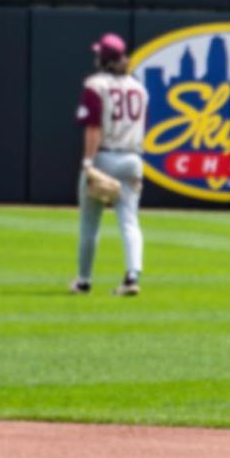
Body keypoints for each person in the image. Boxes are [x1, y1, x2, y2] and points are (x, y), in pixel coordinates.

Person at [70, 32, 148, 297]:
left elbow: (93, 128)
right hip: (132, 158)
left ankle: (83, 281)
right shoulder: (139, 87)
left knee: (89, 224)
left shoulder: (95, 84)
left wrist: (88, 163)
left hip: (103, 156)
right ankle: (132, 276)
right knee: (129, 221)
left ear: (103, 59)